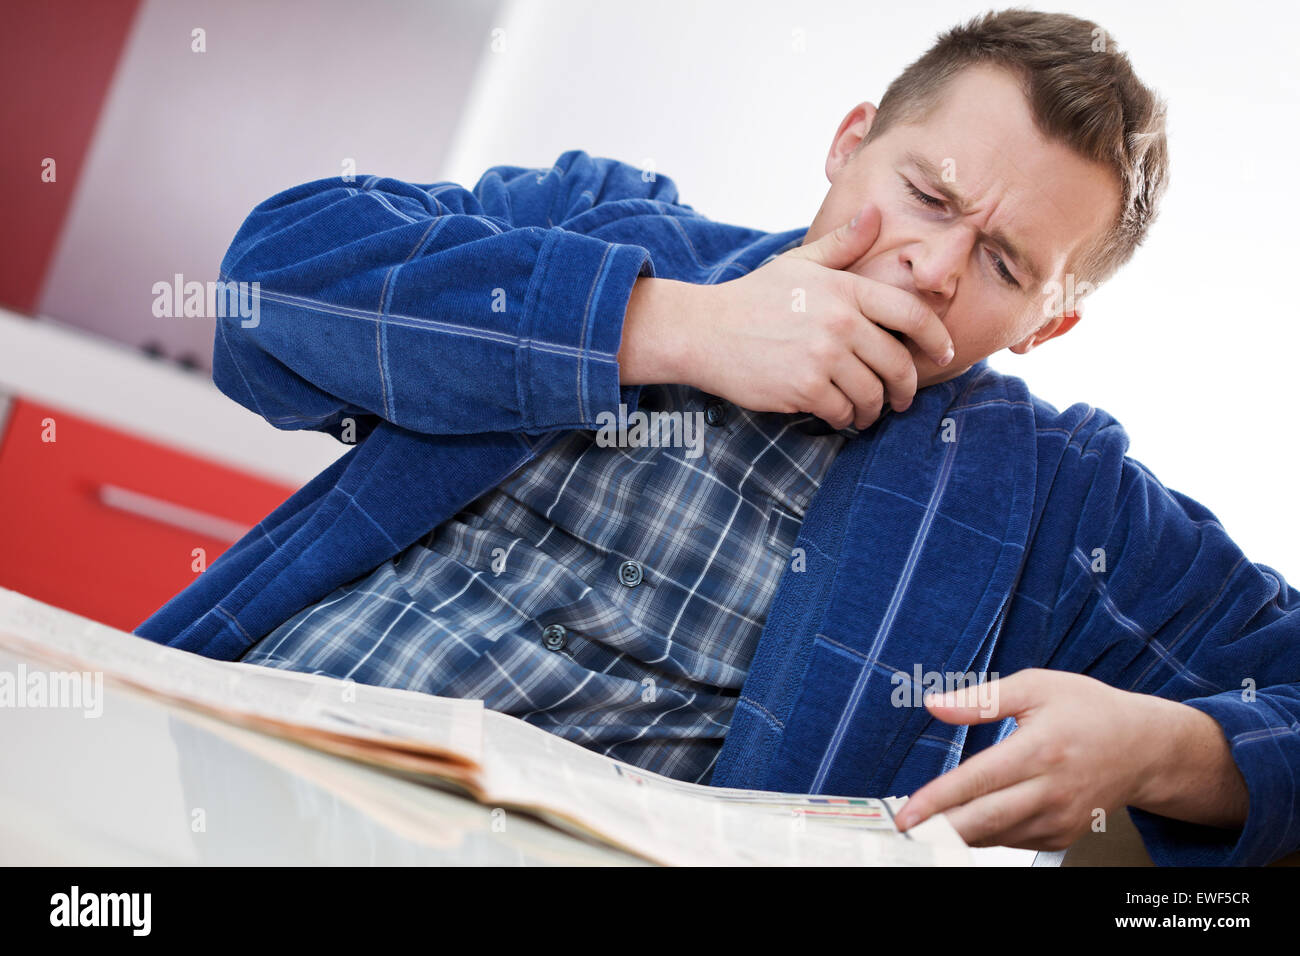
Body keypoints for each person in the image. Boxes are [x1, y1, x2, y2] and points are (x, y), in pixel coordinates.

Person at [134, 9, 1300, 865]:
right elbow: (264, 288)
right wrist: (667, 324)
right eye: (928, 196)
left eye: (1002, 266)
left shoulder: (1058, 498)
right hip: (220, 777)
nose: (933, 267)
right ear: (849, 143)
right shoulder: (608, 218)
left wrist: (1165, 751)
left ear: (1049, 324)